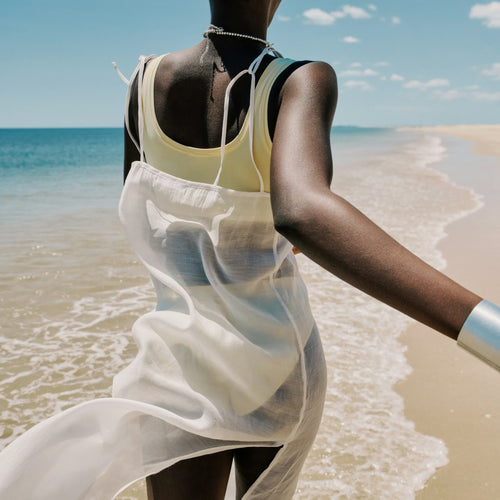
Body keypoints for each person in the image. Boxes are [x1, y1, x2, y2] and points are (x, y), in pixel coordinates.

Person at [0, 1, 497, 499]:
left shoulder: (145, 81)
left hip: (181, 359)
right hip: (276, 356)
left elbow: (147, 214)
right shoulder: (300, 80)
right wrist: (487, 329)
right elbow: (301, 212)